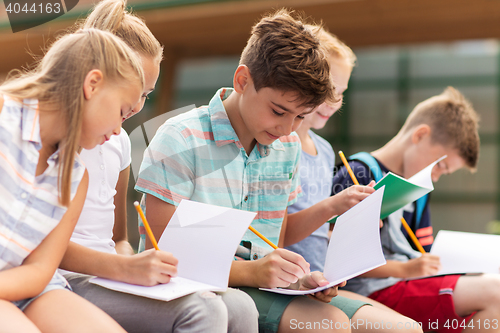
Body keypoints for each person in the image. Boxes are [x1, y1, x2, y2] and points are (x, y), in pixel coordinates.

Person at [135, 9, 400, 333]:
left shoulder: (286, 145)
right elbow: (161, 251)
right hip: (191, 289)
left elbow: (278, 232)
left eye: (301, 117)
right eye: (279, 111)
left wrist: (300, 276)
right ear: (242, 80)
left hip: (264, 288)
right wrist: (253, 273)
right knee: (329, 326)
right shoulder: (181, 138)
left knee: (402, 328)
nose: (288, 127)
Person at [58, 1, 252, 332]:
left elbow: (118, 236)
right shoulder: (56, 140)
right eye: (131, 92)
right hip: (71, 279)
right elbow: (44, 244)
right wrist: (122, 269)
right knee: (203, 310)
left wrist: (130, 260)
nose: (136, 107)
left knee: (241, 307)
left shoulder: (117, 141)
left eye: (146, 94)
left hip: (108, 274)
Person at [0, 28, 144, 332]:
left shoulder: (77, 178)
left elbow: (39, 270)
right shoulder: (4, 115)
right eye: (121, 112)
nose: (119, 130)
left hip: (31, 287)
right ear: (92, 84)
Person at [283, 26, 422, 333]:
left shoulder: (323, 149)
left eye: (342, 93)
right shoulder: (279, 145)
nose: (334, 101)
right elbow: (281, 231)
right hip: (292, 283)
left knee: (409, 328)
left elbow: (321, 234)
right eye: (328, 89)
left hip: (324, 282)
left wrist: (355, 220)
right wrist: (336, 206)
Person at [333, 87, 500, 333]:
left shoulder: (418, 191)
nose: (437, 176)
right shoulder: (358, 173)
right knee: (494, 293)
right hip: (368, 290)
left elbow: (422, 252)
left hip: (406, 283)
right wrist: (406, 269)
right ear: (420, 135)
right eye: (440, 166)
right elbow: (336, 256)